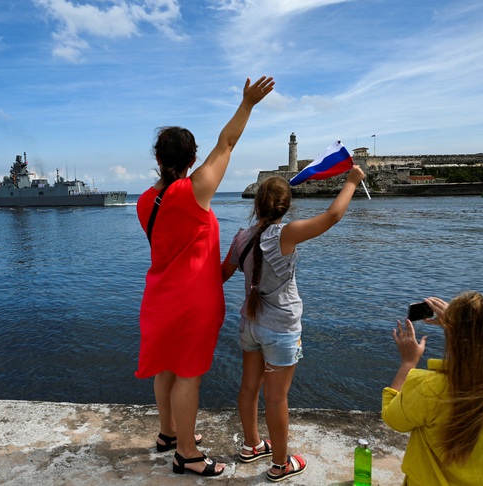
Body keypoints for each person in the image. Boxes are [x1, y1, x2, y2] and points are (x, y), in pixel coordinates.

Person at [136, 75, 275, 477]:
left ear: (159, 159)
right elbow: (227, 144)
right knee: (188, 377)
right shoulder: (195, 191)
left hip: (159, 297)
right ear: (192, 160)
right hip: (193, 302)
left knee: (165, 367)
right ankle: (186, 454)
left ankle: (167, 433)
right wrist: (247, 103)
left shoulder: (146, 201)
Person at [221, 168, 365, 482]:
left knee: (248, 388)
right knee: (276, 398)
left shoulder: (241, 238)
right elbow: (333, 216)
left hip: (249, 324)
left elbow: (220, 275)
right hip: (280, 328)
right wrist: (352, 182)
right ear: (287, 207)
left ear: (256, 205)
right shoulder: (286, 234)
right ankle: (279, 464)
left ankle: (251, 445)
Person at [382, 291, 483, 485]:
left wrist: (409, 362)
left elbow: (391, 417)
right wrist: (463, 329)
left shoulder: (430, 389)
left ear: (453, 340)